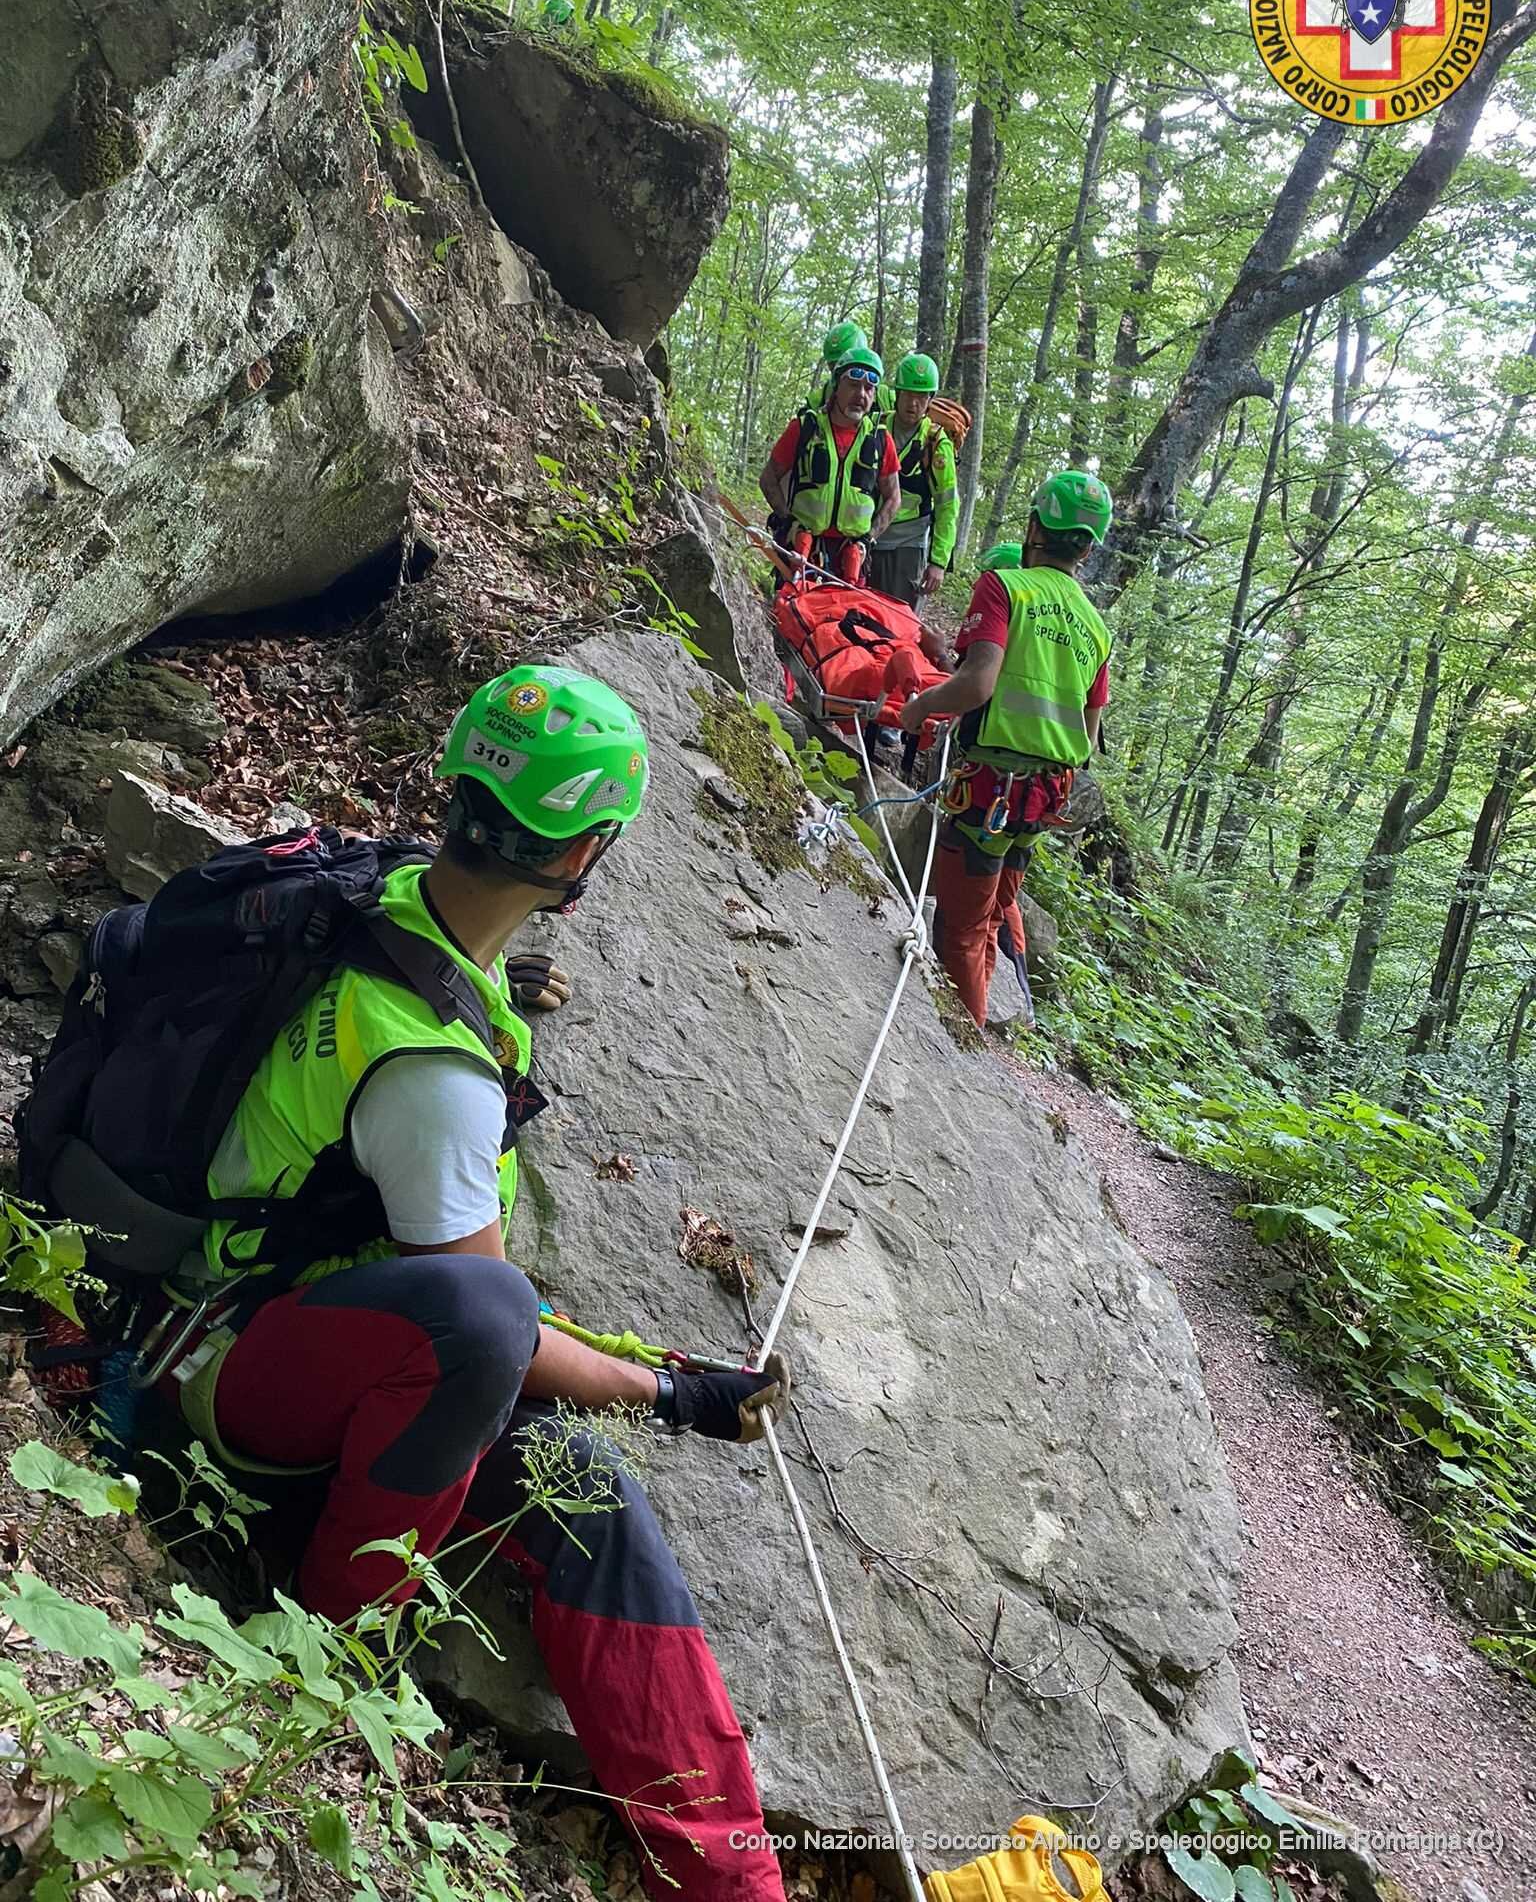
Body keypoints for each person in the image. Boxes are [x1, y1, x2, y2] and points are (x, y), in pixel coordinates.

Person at [176, 669, 790, 1902]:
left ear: (461, 790)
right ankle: (330, 1649)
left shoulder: (397, 897)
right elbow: (491, 1322)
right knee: (496, 1324)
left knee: (588, 1492)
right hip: (236, 1367)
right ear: (592, 849)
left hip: (337, 1328)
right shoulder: (437, 1081)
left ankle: (735, 1880)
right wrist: (668, 1389)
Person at [899, 475, 1113, 1028]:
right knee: (991, 916)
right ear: (1088, 547)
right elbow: (1087, 738)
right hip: (1043, 798)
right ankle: (978, 1026)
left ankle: (963, 1052)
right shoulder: (1096, 628)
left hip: (991, 789)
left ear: (1035, 527)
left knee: (962, 928)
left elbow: (977, 684)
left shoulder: (1006, 588)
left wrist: (920, 708)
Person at [760, 346, 900, 585]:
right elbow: (768, 479)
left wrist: (869, 539)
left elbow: (893, 497)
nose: (861, 395)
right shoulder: (805, 428)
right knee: (791, 616)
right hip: (803, 552)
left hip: (851, 559)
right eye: (853, 385)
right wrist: (788, 523)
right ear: (836, 385)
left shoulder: (880, 439)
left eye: (869, 388)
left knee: (844, 622)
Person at [866, 353, 958, 610]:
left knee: (899, 618)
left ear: (930, 400)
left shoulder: (937, 445)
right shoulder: (875, 427)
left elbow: (947, 507)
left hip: (909, 544)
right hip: (864, 534)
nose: (913, 403)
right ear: (897, 393)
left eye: (921, 397)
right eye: (908, 394)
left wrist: (938, 562)